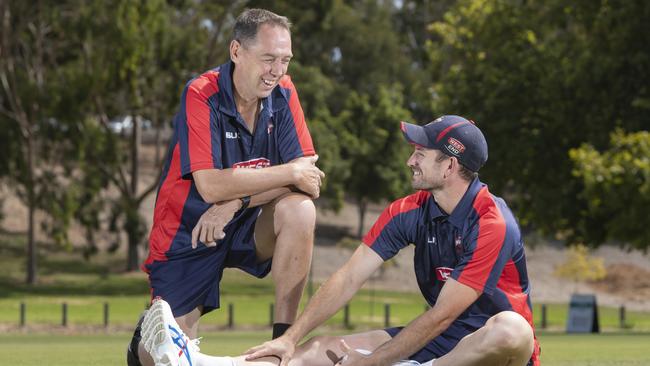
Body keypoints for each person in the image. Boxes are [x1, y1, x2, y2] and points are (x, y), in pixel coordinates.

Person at [141, 115, 541, 366]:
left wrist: (373, 363)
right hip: (439, 340)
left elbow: (442, 316)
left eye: (421, 152)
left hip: (494, 351)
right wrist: (289, 338)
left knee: (511, 328)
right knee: (317, 351)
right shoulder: (410, 210)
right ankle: (204, 364)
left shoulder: (492, 222)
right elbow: (349, 278)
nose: (410, 160)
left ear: (450, 165)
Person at [126, 8, 325, 366]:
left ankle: (282, 347)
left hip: (246, 218)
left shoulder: (284, 92)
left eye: (285, 59)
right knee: (168, 353)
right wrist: (283, 175)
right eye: (268, 59)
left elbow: (308, 177)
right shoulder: (201, 93)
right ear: (236, 52)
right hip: (189, 228)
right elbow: (210, 185)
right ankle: (149, 336)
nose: (277, 71)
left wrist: (238, 202)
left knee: (300, 208)